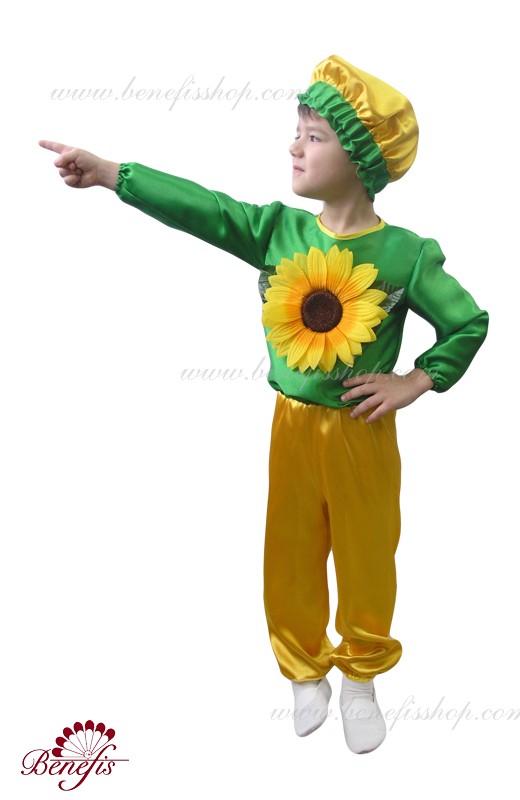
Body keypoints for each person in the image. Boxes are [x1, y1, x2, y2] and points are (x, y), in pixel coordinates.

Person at [39, 54, 489, 754]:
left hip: (361, 431)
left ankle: (361, 675)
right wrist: (113, 174)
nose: (293, 146)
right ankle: (304, 670)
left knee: (367, 551)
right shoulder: (280, 232)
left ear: (361, 157)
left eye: (313, 136)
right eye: (297, 132)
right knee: (290, 549)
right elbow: (206, 209)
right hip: (291, 424)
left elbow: (466, 321)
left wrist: (414, 380)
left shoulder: (405, 254)